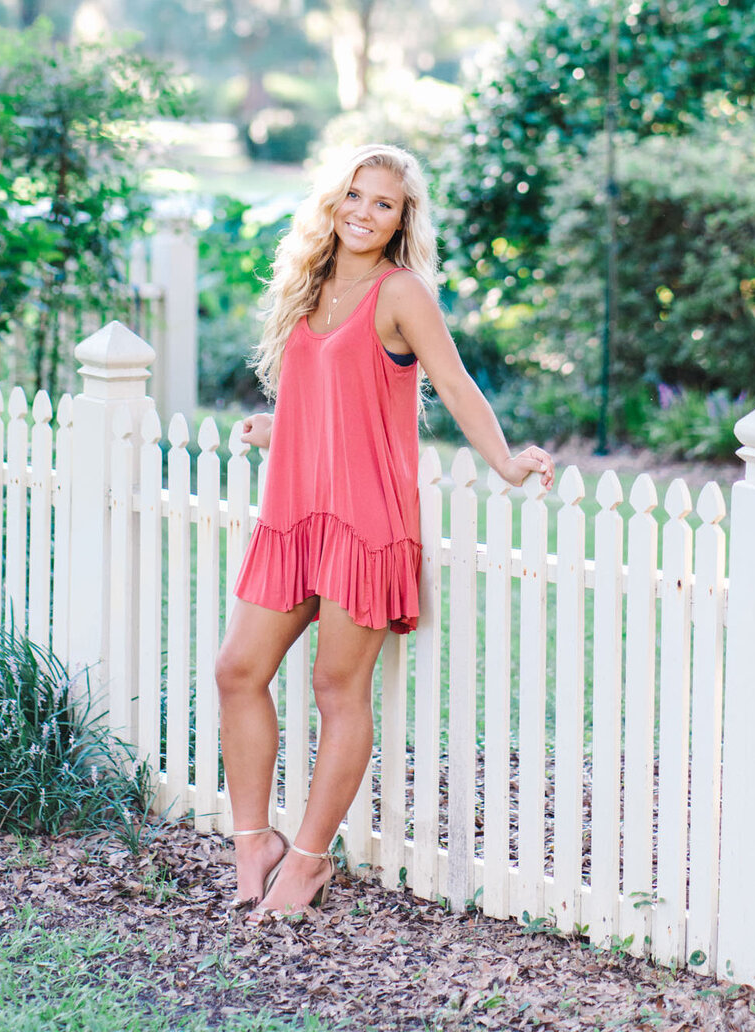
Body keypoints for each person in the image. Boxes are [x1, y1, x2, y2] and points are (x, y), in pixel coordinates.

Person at [214, 143, 555, 919]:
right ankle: (252, 842)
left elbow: (455, 383)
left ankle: (305, 863)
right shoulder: (311, 285)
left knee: (336, 689)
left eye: (384, 204)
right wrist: (285, 426)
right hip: (295, 510)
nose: (365, 214)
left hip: (365, 519)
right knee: (238, 670)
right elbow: (330, 387)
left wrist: (503, 461)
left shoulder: (401, 292)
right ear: (333, 201)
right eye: (356, 197)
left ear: (403, 219)